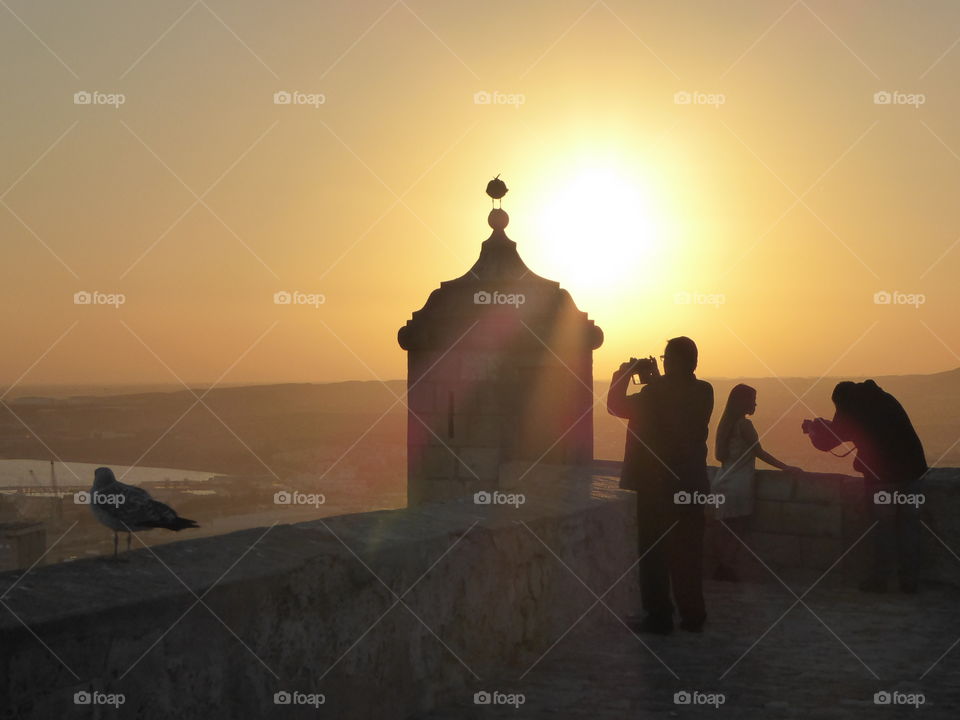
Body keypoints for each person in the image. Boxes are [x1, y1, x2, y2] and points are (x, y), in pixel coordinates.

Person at [607, 336, 713, 634]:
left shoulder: (654, 394)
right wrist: (653, 381)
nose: (663, 363)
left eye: (666, 358)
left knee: (654, 552)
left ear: (677, 361)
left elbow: (615, 405)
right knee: (689, 553)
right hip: (691, 484)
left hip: (657, 486)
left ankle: (659, 616)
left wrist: (625, 375)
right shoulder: (704, 391)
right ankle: (693, 615)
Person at [803, 380, 927, 593]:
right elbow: (851, 430)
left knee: (884, 529)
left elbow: (830, 441)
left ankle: (880, 580)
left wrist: (813, 430)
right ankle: (910, 582)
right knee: (909, 528)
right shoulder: (883, 399)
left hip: (883, 480)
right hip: (913, 474)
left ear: (840, 402)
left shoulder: (850, 407)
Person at [711, 384, 802, 582]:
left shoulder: (725, 424)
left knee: (724, 529)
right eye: (752, 399)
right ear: (742, 402)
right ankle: (728, 567)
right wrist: (786, 468)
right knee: (738, 530)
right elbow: (759, 452)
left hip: (722, 481)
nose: (755, 404)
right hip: (739, 484)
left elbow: (720, 456)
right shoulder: (744, 425)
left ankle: (721, 567)